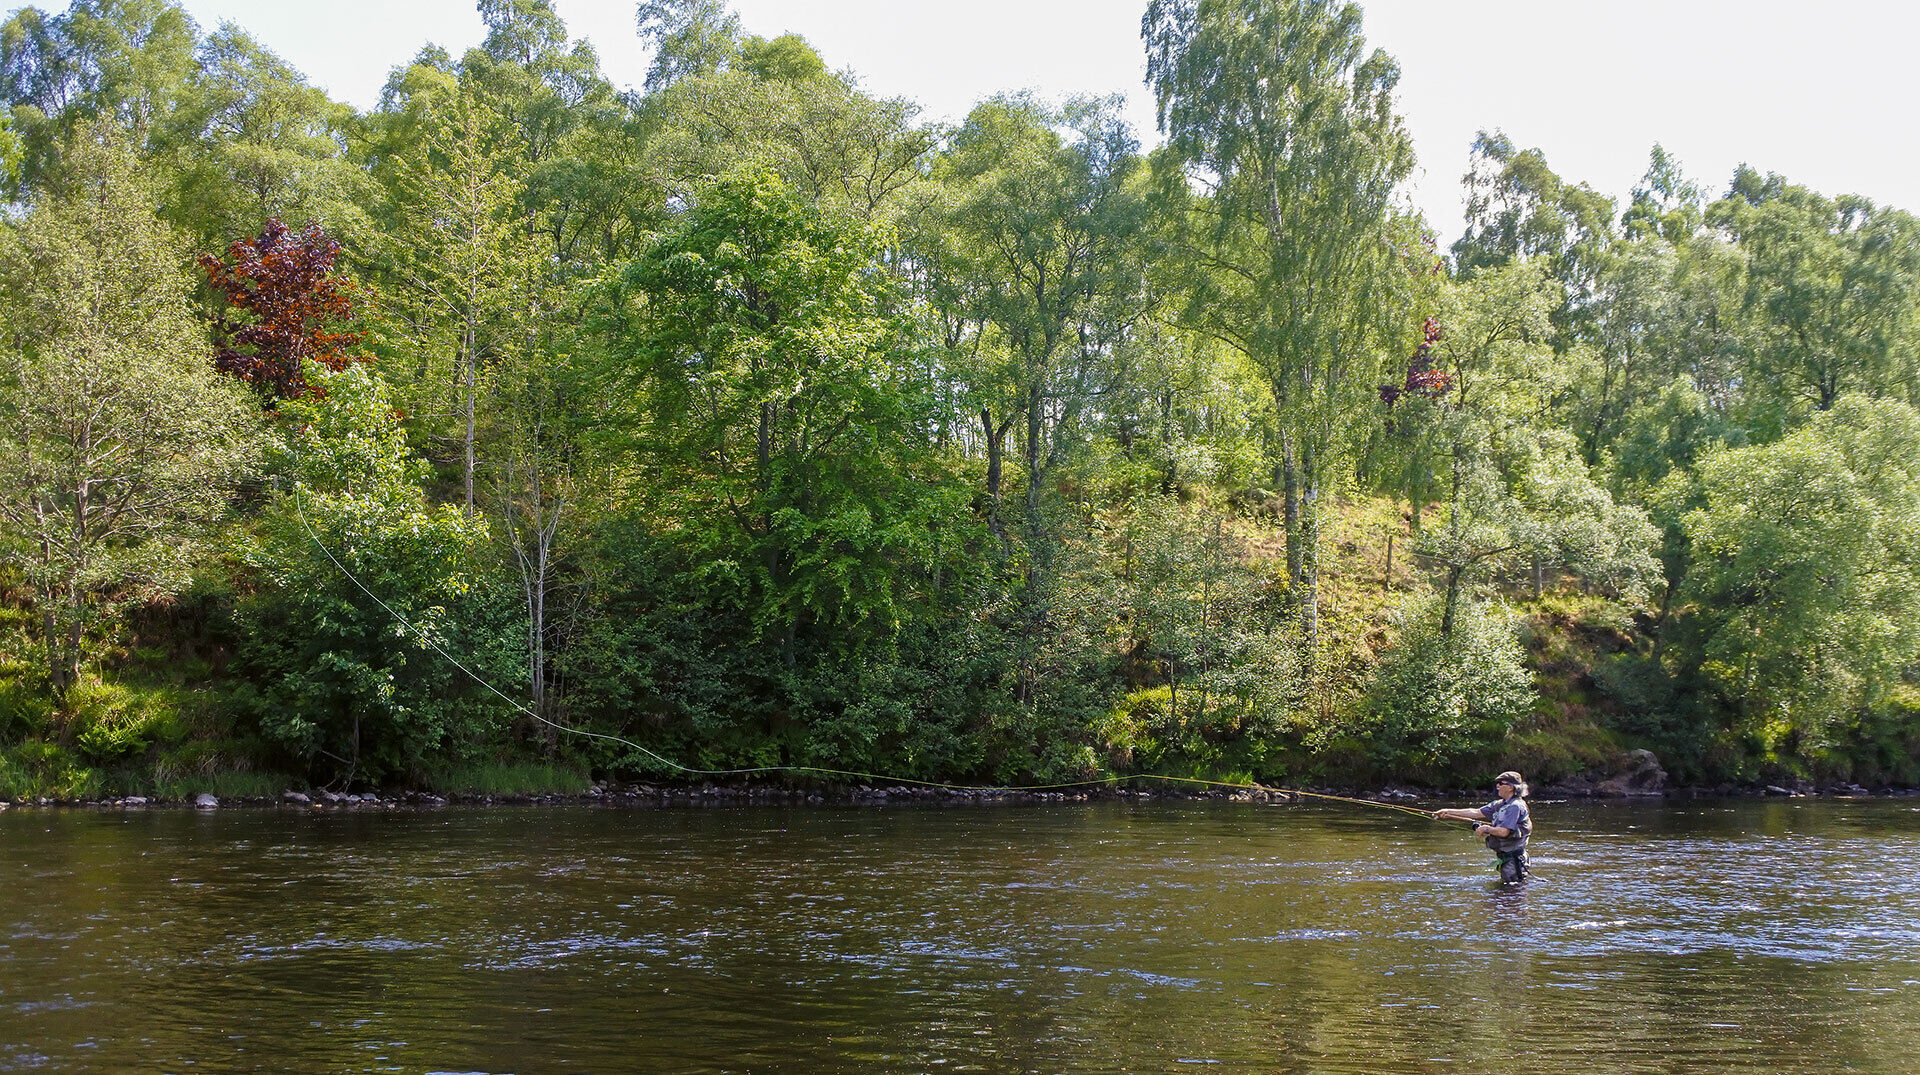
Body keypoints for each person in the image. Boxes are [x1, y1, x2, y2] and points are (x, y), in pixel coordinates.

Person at [1435, 771, 1531, 882]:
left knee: (1512, 894)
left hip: (1514, 861)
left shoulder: (1515, 806)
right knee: (1506, 894)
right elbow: (1476, 812)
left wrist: (1486, 829)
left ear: (1510, 787)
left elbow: (1504, 832)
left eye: (1501, 783)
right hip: (1507, 858)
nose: (1497, 786)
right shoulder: (1499, 804)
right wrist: (1448, 812)